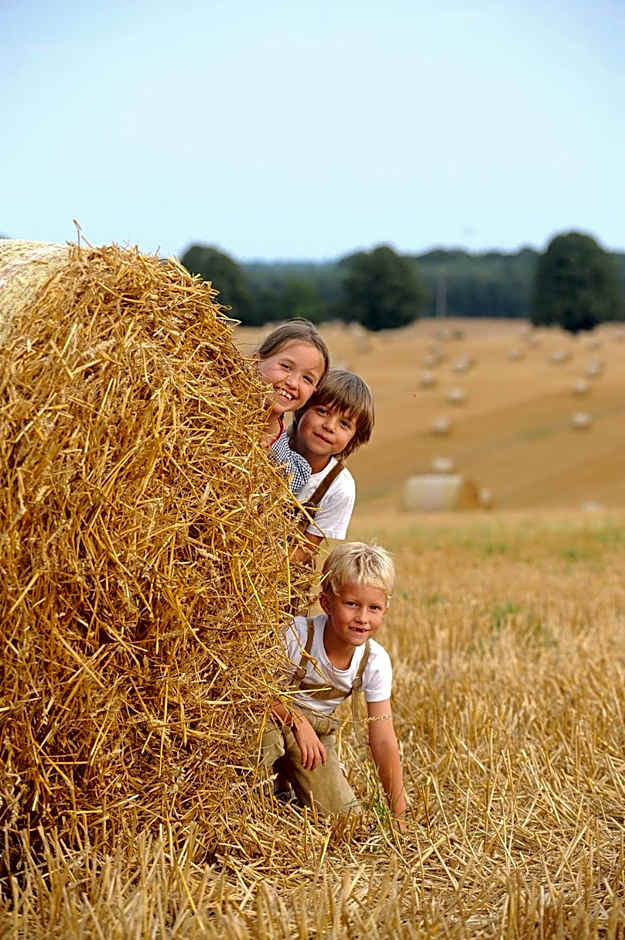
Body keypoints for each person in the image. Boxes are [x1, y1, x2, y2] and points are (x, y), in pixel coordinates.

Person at [261, 542, 406, 830]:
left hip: (316, 737)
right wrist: (295, 720)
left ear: (385, 610)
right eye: (352, 604)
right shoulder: (295, 636)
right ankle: (265, 789)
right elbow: (254, 690)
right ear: (326, 603)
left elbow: (383, 739)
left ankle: (293, 780)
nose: (363, 618)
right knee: (263, 739)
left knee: (344, 821)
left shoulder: (374, 661)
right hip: (274, 719)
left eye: (374, 608)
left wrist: (398, 814)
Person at [290, 369, 374, 554]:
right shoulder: (269, 443)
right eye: (322, 411)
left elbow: (302, 553)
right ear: (301, 408)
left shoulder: (339, 488)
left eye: (344, 424)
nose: (329, 426)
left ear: (354, 439)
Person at [253, 320, 329, 494]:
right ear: (255, 362)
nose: (293, 383)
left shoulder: (292, 470)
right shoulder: (212, 411)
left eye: (307, 379)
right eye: (286, 367)